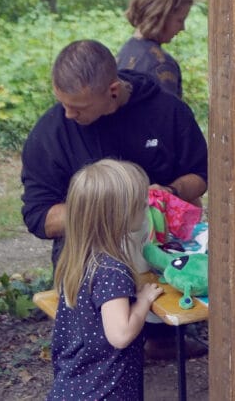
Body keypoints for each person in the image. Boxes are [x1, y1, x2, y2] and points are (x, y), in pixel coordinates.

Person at [21, 39, 208, 268]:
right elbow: (40, 217)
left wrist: (170, 191)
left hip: (163, 254)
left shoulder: (168, 112)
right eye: (63, 103)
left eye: (79, 108)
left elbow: (201, 175)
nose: (68, 114)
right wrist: (110, 211)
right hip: (88, 264)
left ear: (113, 91)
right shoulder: (51, 133)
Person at [48, 159, 164, 400]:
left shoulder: (78, 258)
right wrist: (143, 301)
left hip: (73, 384)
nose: (146, 207)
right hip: (104, 390)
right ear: (118, 215)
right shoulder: (112, 271)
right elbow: (120, 335)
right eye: (140, 204)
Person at [117, 0, 194, 98]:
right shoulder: (161, 66)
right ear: (160, 16)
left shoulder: (125, 52)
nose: (182, 28)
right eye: (180, 20)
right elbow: (168, 110)